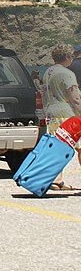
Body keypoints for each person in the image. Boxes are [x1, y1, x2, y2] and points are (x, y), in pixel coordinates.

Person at [43, 44, 81, 188]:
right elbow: (75, 98)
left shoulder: (49, 72)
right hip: (67, 114)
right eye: (72, 56)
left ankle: (56, 179)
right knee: (80, 147)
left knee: (57, 147)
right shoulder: (67, 74)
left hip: (51, 113)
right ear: (67, 57)